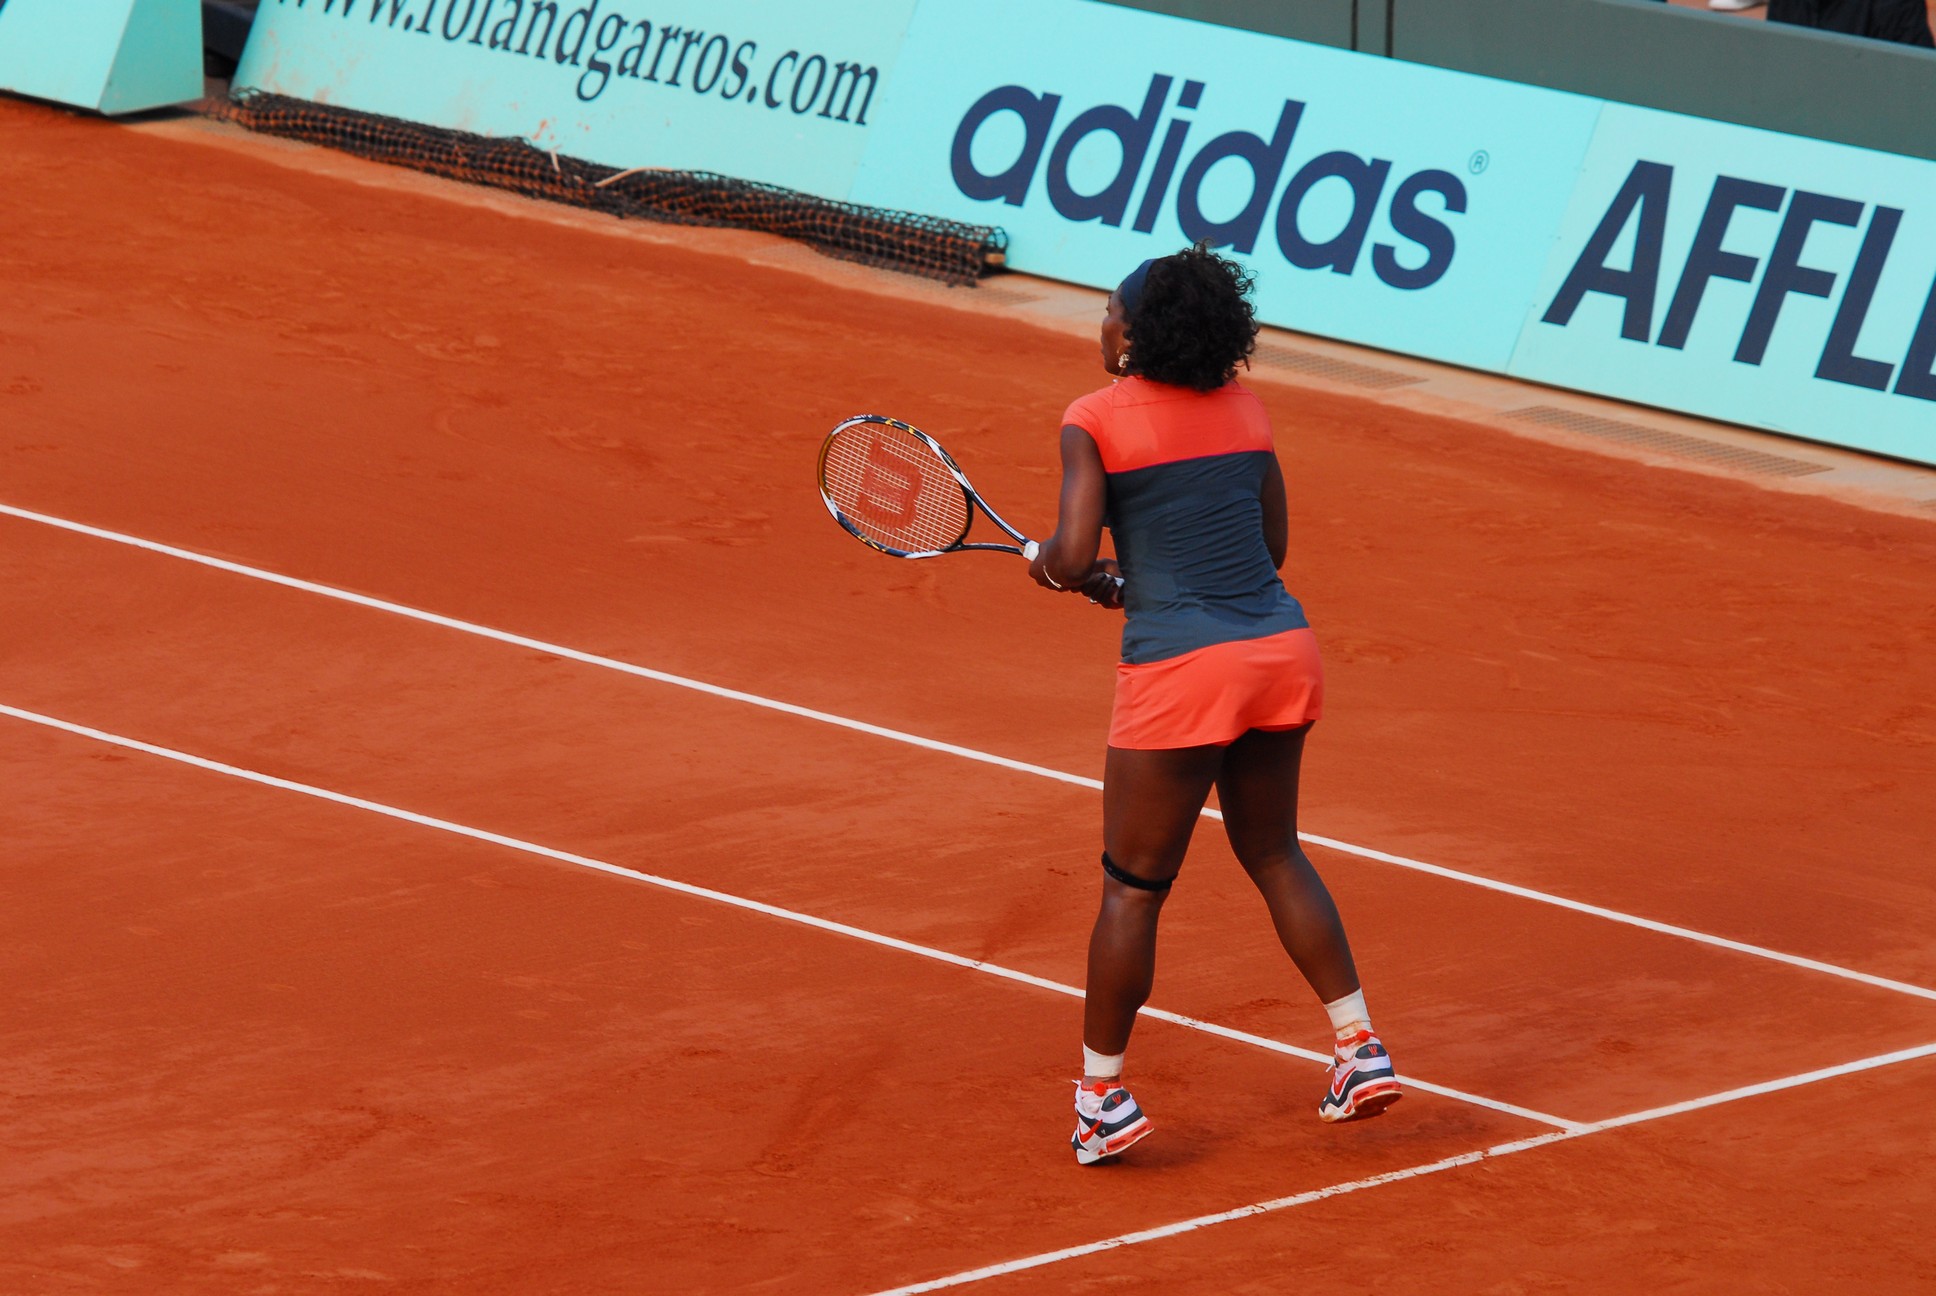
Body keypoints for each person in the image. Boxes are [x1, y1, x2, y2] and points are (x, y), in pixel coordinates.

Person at [1029, 245, 1400, 1166]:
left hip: (1185, 674)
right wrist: (1139, 578)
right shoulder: (1247, 411)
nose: (1102, 321)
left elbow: (1071, 555)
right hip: (1282, 652)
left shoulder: (1092, 420)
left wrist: (1058, 567)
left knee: (1133, 886)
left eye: (1111, 309)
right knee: (1274, 850)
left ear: (1137, 336)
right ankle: (1360, 1048)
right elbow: (1263, 547)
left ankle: (1102, 1099)